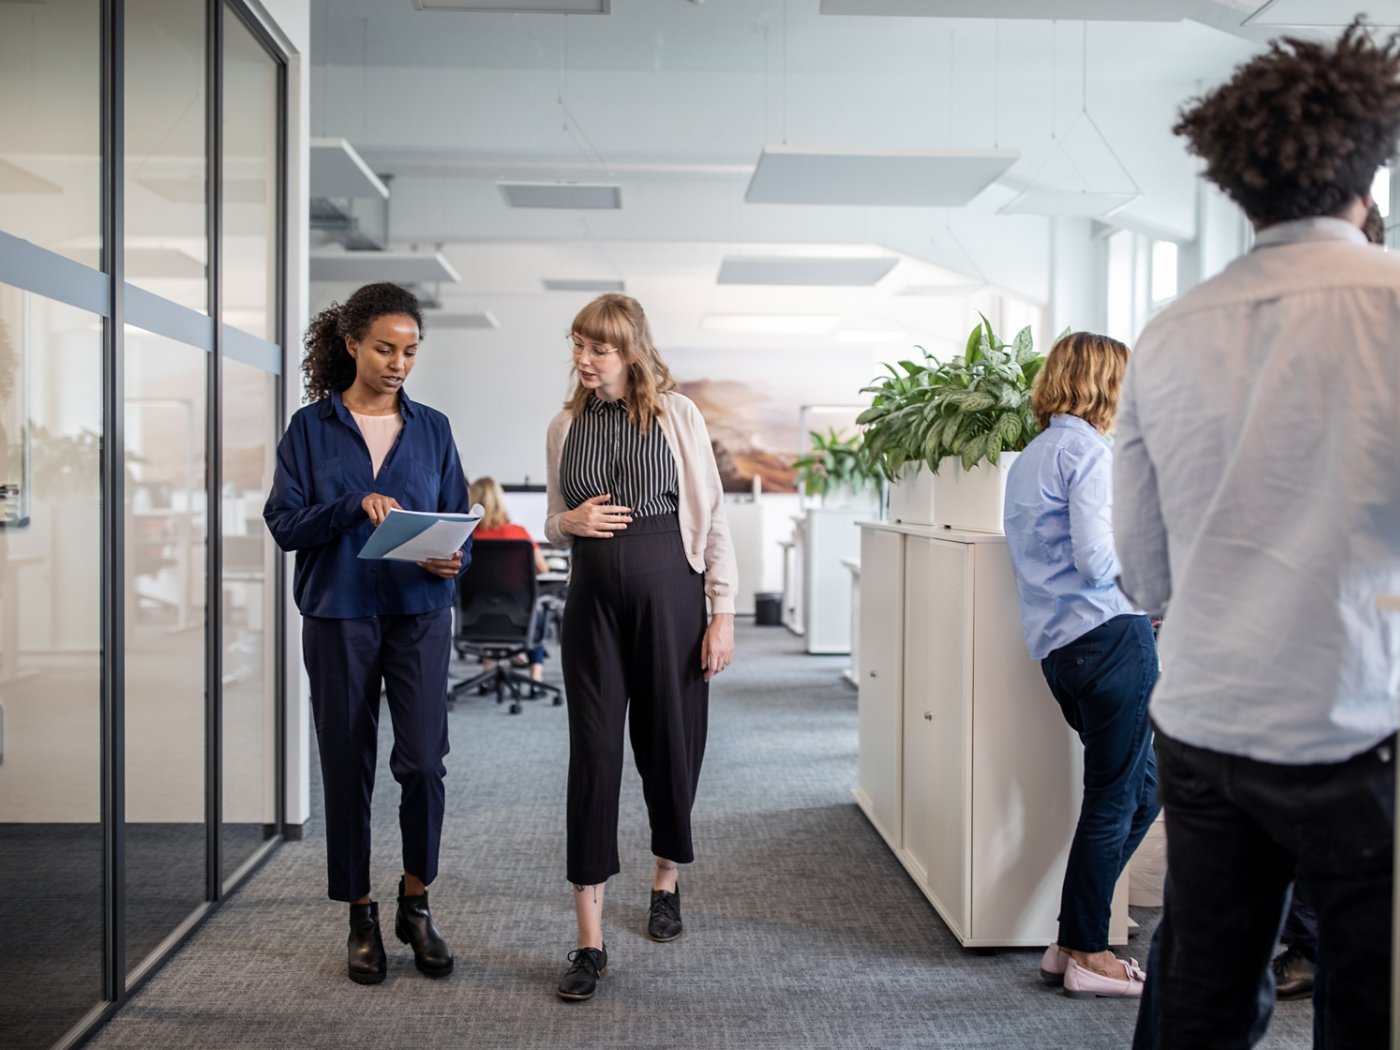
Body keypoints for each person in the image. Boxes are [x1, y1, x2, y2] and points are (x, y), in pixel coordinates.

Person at [1116, 20, 1400, 1048]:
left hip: (1202, 722)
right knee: (1368, 1007)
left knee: (1202, 994)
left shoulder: (1167, 331)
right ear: (1369, 172)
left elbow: (1141, 569)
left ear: (1234, 188)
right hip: (1356, 723)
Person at [263, 282, 472, 986]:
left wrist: (455, 554)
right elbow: (284, 523)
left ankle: (417, 901)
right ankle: (359, 912)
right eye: (385, 348)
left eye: (410, 351)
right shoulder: (310, 430)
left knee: (422, 762)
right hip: (340, 613)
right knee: (346, 762)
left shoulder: (434, 427)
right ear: (352, 344)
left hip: (419, 611)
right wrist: (351, 506)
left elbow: (457, 517)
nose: (398, 363)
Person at [544, 293, 736, 1002]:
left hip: (671, 593)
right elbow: (552, 526)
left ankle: (665, 881)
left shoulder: (677, 417)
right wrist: (569, 519)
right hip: (592, 602)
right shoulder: (564, 426)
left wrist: (724, 612)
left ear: (630, 352)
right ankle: (588, 942)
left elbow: (712, 520)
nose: (584, 359)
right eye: (577, 345)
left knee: (670, 743)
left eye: (598, 348)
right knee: (592, 758)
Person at [1002, 332, 1159, 1001]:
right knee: (1114, 799)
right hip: (1112, 638)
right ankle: (1090, 955)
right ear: (1106, 384)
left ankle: (1072, 936)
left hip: (1061, 649)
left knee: (1143, 791)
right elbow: (1100, 561)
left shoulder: (1032, 456)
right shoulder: (1091, 454)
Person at [467, 475, 551, 683]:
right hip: (518, 616)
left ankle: (488, 667)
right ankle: (535, 675)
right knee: (537, 608)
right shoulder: (519, 533)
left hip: (474, 617)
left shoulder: (466, 536)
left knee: (487, 599)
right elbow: (542, 568)